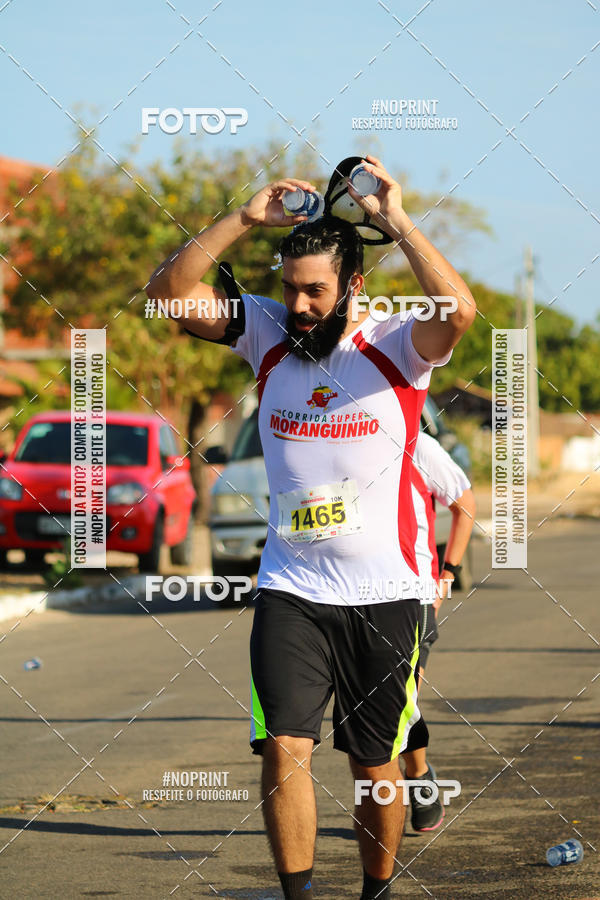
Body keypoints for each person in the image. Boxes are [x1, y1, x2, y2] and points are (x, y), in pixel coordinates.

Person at [146, 155, 476, 899]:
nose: (297, 306)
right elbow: (167, 295)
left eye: (315, 292)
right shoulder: (262, 331)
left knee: (371, 764)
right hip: (291, 590)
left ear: (352, 287)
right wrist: (245, 218)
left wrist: (396, 220)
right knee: (284, 748)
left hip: (387, 594)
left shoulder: (396, 343)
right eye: (289, 288)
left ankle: (375, 891)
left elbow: (458, 311)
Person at [401, 430, 476, 832]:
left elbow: (465, 505)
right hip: (346, 594)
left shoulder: (419, 446)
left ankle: (418, 777)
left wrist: (446, 577)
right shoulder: (336, 442)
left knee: (401, 697)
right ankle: (402, 784)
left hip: (413, 596)